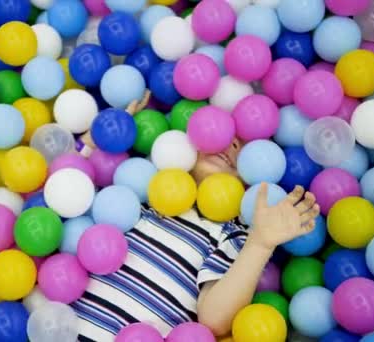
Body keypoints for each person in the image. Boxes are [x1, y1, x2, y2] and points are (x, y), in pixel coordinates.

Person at [72, 93, 321, 341]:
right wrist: (96, 140)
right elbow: (69, 193)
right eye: (224, 130)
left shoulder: (228, 233)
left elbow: (213, 320)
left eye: (246, 147)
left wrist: (260, 243)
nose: (231, 142)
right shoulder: (142, 196)